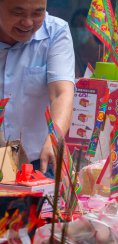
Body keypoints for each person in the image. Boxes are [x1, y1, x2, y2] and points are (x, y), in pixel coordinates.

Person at [0, 0, 74, 176]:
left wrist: (54, 137)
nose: (27, 22)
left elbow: (61, 93)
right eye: (17, 13)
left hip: (37, 163)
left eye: (37, 13)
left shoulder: (56, 32)